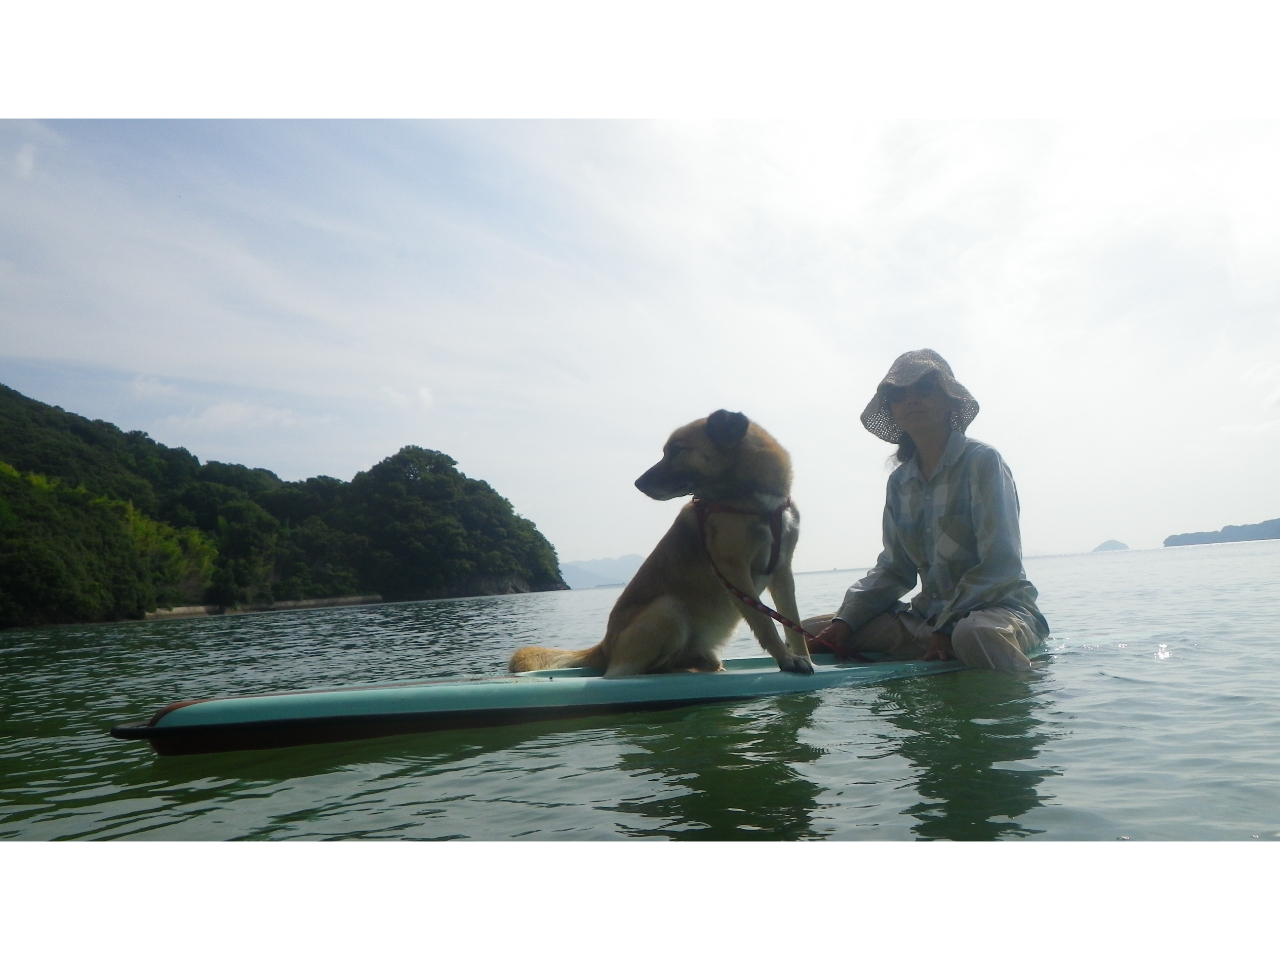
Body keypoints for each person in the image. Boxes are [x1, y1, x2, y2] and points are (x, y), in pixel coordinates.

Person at [805, 349, 1049, 672]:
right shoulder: (899, 482)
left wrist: (949, 626)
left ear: (950, 401)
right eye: (898, 394)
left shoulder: (983, 462)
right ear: (891, 409)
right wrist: (845, 621)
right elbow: (894, 570)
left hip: (997, 613)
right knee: (807, 632)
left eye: (924, 389)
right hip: (926, 623)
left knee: (975, 634)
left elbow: (1000, 564)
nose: (911, 400)